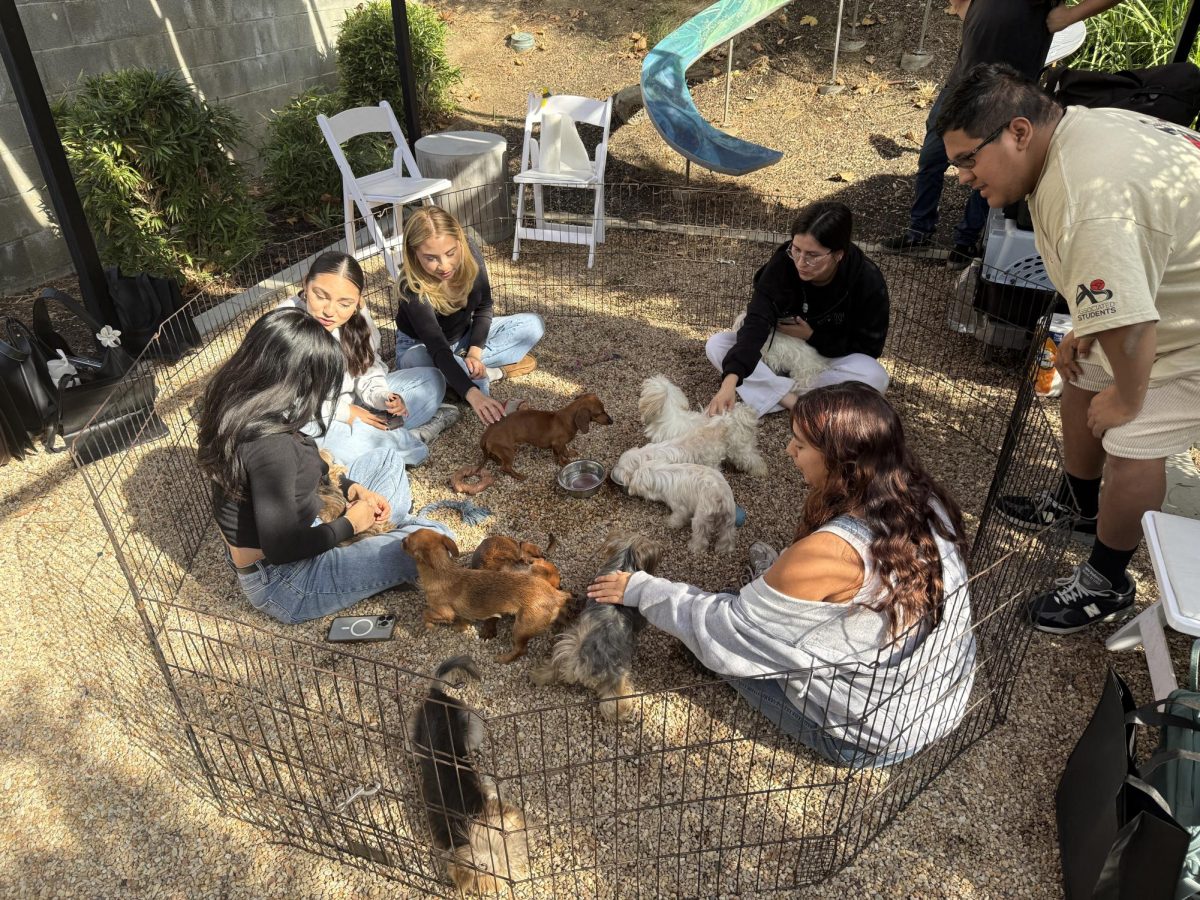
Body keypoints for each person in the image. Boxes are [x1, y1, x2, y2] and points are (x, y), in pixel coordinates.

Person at [936, 63, 1200, 633]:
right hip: (1170, 291)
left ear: (1019, 131)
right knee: (1080, 368)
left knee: (1133, 434)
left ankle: (1108, 580)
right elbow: (1121, 277)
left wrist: (1128, 399)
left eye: (967, 159)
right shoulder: (1077, 131)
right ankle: (1082, 508)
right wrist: (1090, 320)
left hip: (1191, 329)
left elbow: (1131, 327)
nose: (961, 176)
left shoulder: (1085, 198)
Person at [589, 382, 976, 767]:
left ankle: (770, 598)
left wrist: (641, 589)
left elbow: (727, 629)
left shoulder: (830, 553)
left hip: (870, 736)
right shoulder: (926, 499)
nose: (789, 450)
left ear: (844, 460)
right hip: (941, 696)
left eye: (801, 445)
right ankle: (778, 592)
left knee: (718, 634)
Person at [196, 307, 454, 624]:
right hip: (287, 579)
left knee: (386, 460)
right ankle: (373, 545)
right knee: (436, 537)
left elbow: (313, 467)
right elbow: (280, 549)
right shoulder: (270, 447)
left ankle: (374, 542)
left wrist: (352, 488)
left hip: (308, 520)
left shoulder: (242, 403)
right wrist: (352, 524)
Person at [881, 0, 1125, 270]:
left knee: (989, 168)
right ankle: (919, 232)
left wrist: (1069, 16)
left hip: (1008, 98)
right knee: (932, 157)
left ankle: (965, 241)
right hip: (962, 84)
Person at [705, 202, 890, 418]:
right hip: (777, 350)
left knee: (875, 377)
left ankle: (772, 391)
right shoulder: (783, 262)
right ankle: (797, 403)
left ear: (838, 254)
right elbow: (757, 319)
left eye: (813, 255)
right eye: (797, 249)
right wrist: (730, 381)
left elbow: (869, 347)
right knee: (717, 345)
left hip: (826, 358)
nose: (801, 262)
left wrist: (812, 336)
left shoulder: (866, 279)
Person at [277, 251, 457, 468]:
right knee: (332, 439)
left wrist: (383, 397)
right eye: (320, 295)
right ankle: (411, 439)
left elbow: (367, 368)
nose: (329, 311)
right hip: (310, 419)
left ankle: (387, 438)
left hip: (356, 403)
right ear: (305, 284)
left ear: (358, 300)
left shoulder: (356, 316)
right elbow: (287, 404)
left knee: (432, 380)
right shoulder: (284, 324)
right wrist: (347, 413)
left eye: (345, 303)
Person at [394, 206, 545, 425]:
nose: (444, 266)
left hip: (464, 339)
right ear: (413, 254)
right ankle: (486, 376)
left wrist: (474, 352)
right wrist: (475, 394)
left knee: (533, 325)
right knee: (418, 360)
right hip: (423, 348)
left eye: (450, 253)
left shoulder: (470, 253)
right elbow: (437, 349)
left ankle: (458, 377)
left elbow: (484, 307)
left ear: (459, 243)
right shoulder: (412, 288)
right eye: (431, 258)